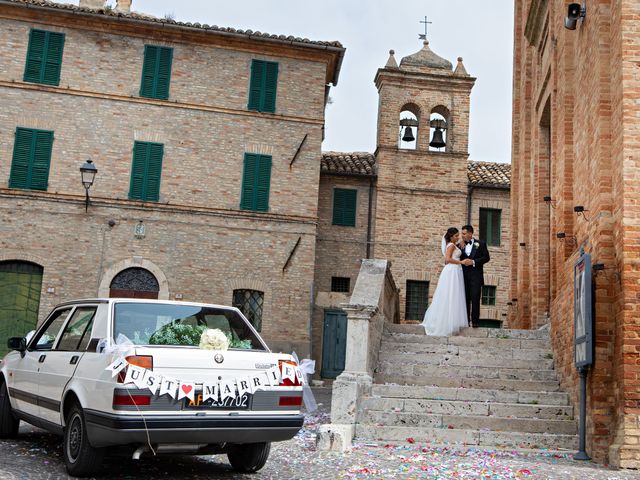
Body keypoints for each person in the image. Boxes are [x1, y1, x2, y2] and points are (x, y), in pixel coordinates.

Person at [421, 227, 472, 336]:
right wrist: (462, 262)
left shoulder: (454, 245)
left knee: (454, 296)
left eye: (458, 235)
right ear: (450, 237)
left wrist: (462, 242)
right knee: (449, 295)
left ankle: (451, 322)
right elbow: (447, 259)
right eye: (456, 236)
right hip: (452, 271)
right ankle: (445, 324)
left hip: (455, 271)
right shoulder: (451, 245)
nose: (458, 237)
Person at [460, 224, 491, 327]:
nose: (462, 236)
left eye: (464, 234)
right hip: (463, 277)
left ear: (470, 233)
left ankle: (475, 322)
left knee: (475, 298)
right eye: (462, 234)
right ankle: (465, 321)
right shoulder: (460, 245)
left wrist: (473, 262)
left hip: (476, 277)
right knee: (465, 299)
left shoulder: (481, 244)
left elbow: (486, 258)